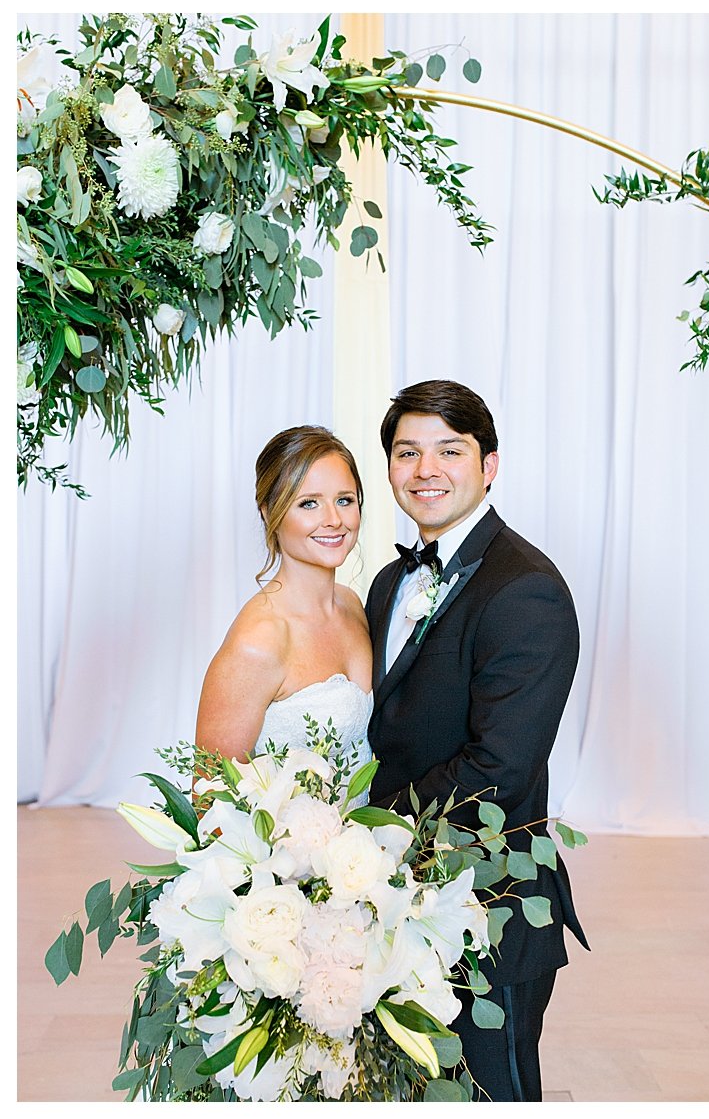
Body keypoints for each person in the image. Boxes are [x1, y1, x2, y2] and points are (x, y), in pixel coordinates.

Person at [364, 379, 587, 1102]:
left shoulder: (526, 588)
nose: (425, 469)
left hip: (490, 901)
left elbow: (501, 766)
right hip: (393, 898)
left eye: (449, 451)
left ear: (489, 465)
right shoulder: (387, 583)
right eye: (407, 452)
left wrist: (370, 830)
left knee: (493, 1090)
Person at [195, 426, 373, 786]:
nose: (334, 520)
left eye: (344, 500)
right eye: (309, 503)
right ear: (268, 512)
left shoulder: (352, 605)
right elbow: (209, 793)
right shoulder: (259, 641)